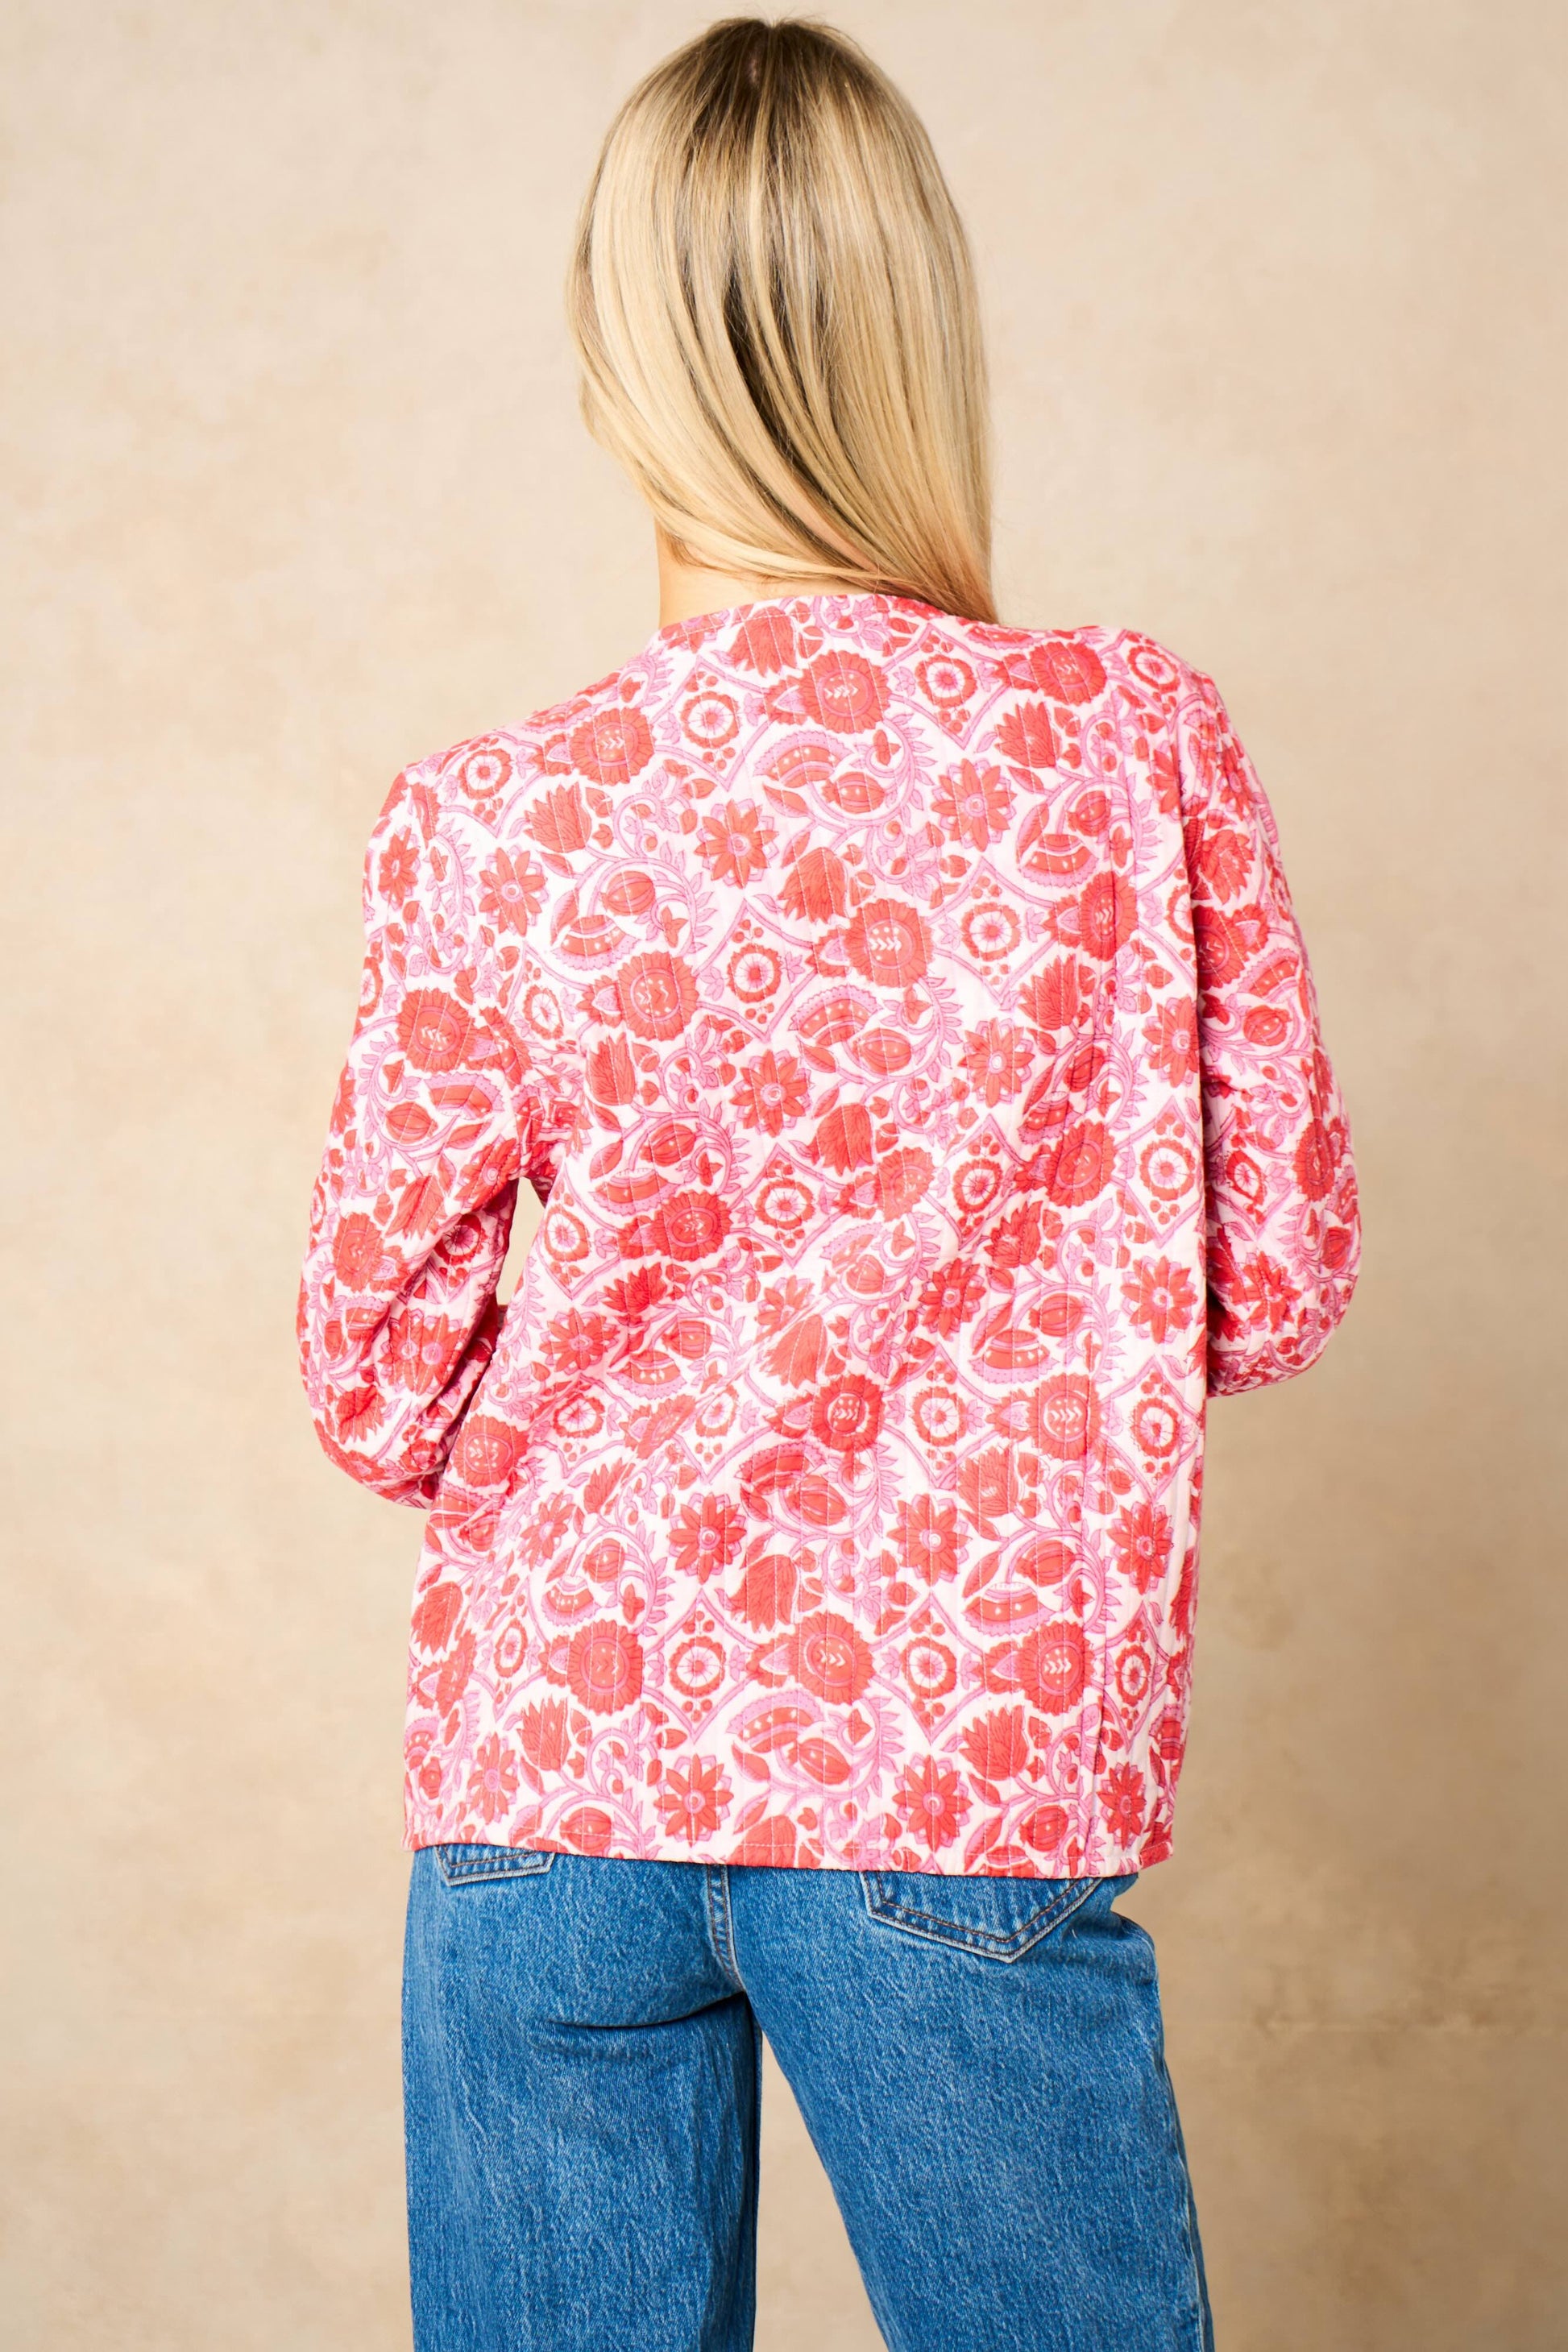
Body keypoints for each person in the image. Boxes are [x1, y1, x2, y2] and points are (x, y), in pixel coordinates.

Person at [297, 18, 1359, 2350]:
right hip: (957, 1769)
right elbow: (1275, 1277)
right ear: (918, 332)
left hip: (548, 1782)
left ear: (616, 364)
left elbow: (376, 1388)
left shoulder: (492, 815)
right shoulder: (1127, 744)